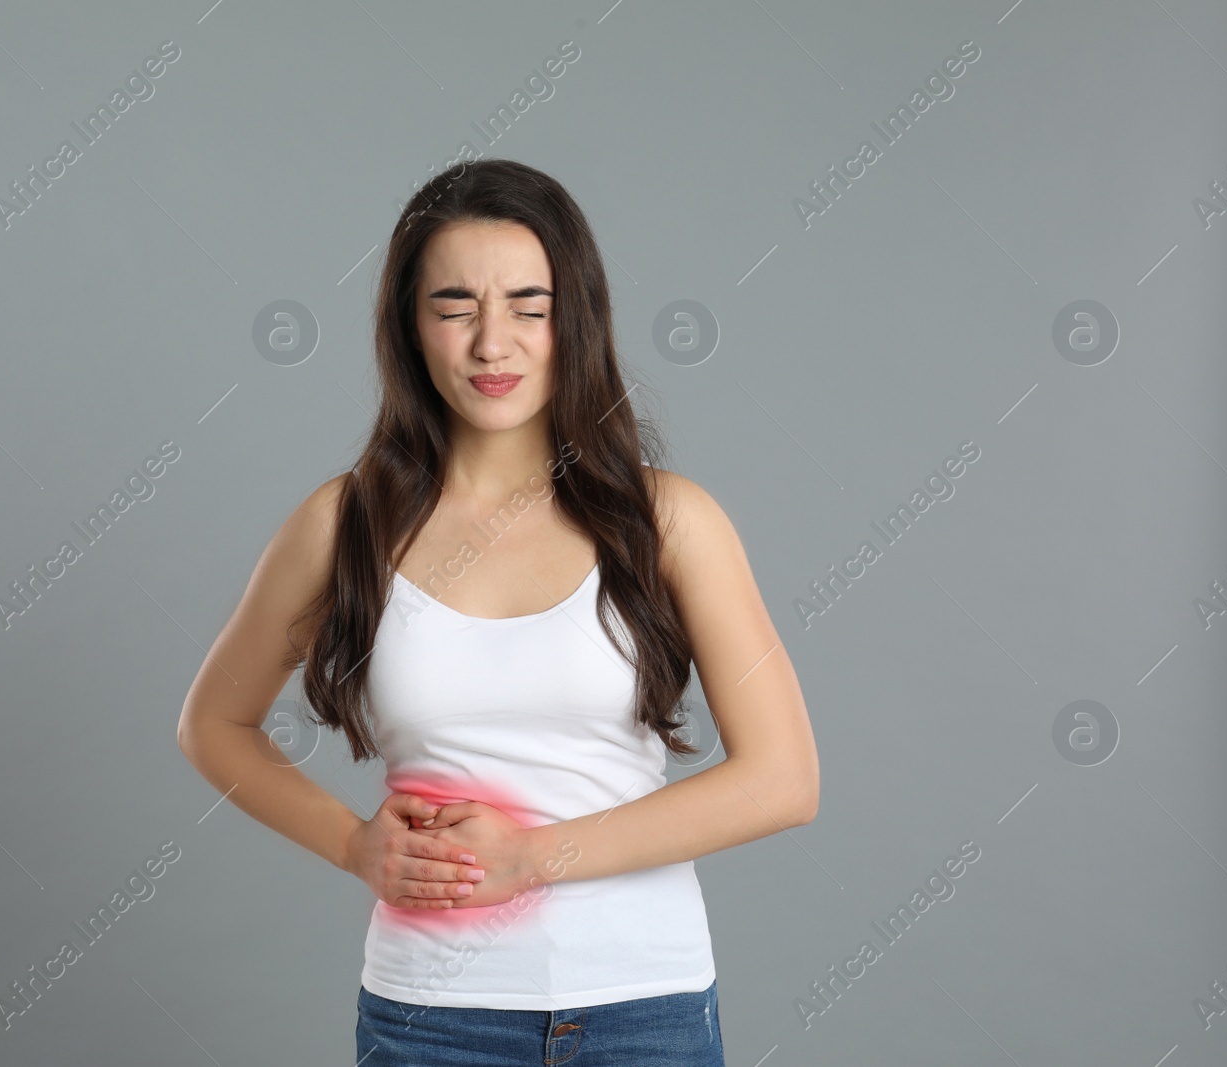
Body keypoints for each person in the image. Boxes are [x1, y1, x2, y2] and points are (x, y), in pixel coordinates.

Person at [176, 158, 819, 1065]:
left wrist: (531, 858)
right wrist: (356, 845)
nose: (492, 344)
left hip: (644, 1008)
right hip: (432, 1018)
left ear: (577, 319)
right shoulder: (346, 523)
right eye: (454, 307)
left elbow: (784, 780)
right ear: (410, 326)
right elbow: (213, 723)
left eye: (529, 305)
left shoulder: (669, 521)